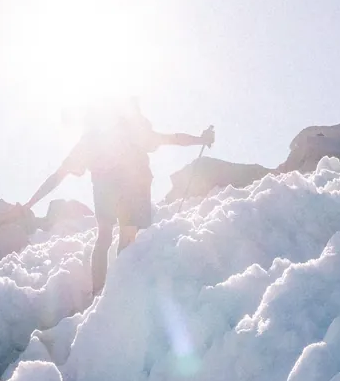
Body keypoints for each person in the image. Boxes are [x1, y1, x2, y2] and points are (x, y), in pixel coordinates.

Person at [27, 100, 214, 295]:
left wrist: (29, 204)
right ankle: (118, 293)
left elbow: (59, 175)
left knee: (104, 236)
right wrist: (201, 140)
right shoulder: (132, 132)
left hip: (104, 187)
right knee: (127, 235)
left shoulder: (90, 139)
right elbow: (171, 139)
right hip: (133, 183)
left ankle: (99, 293)